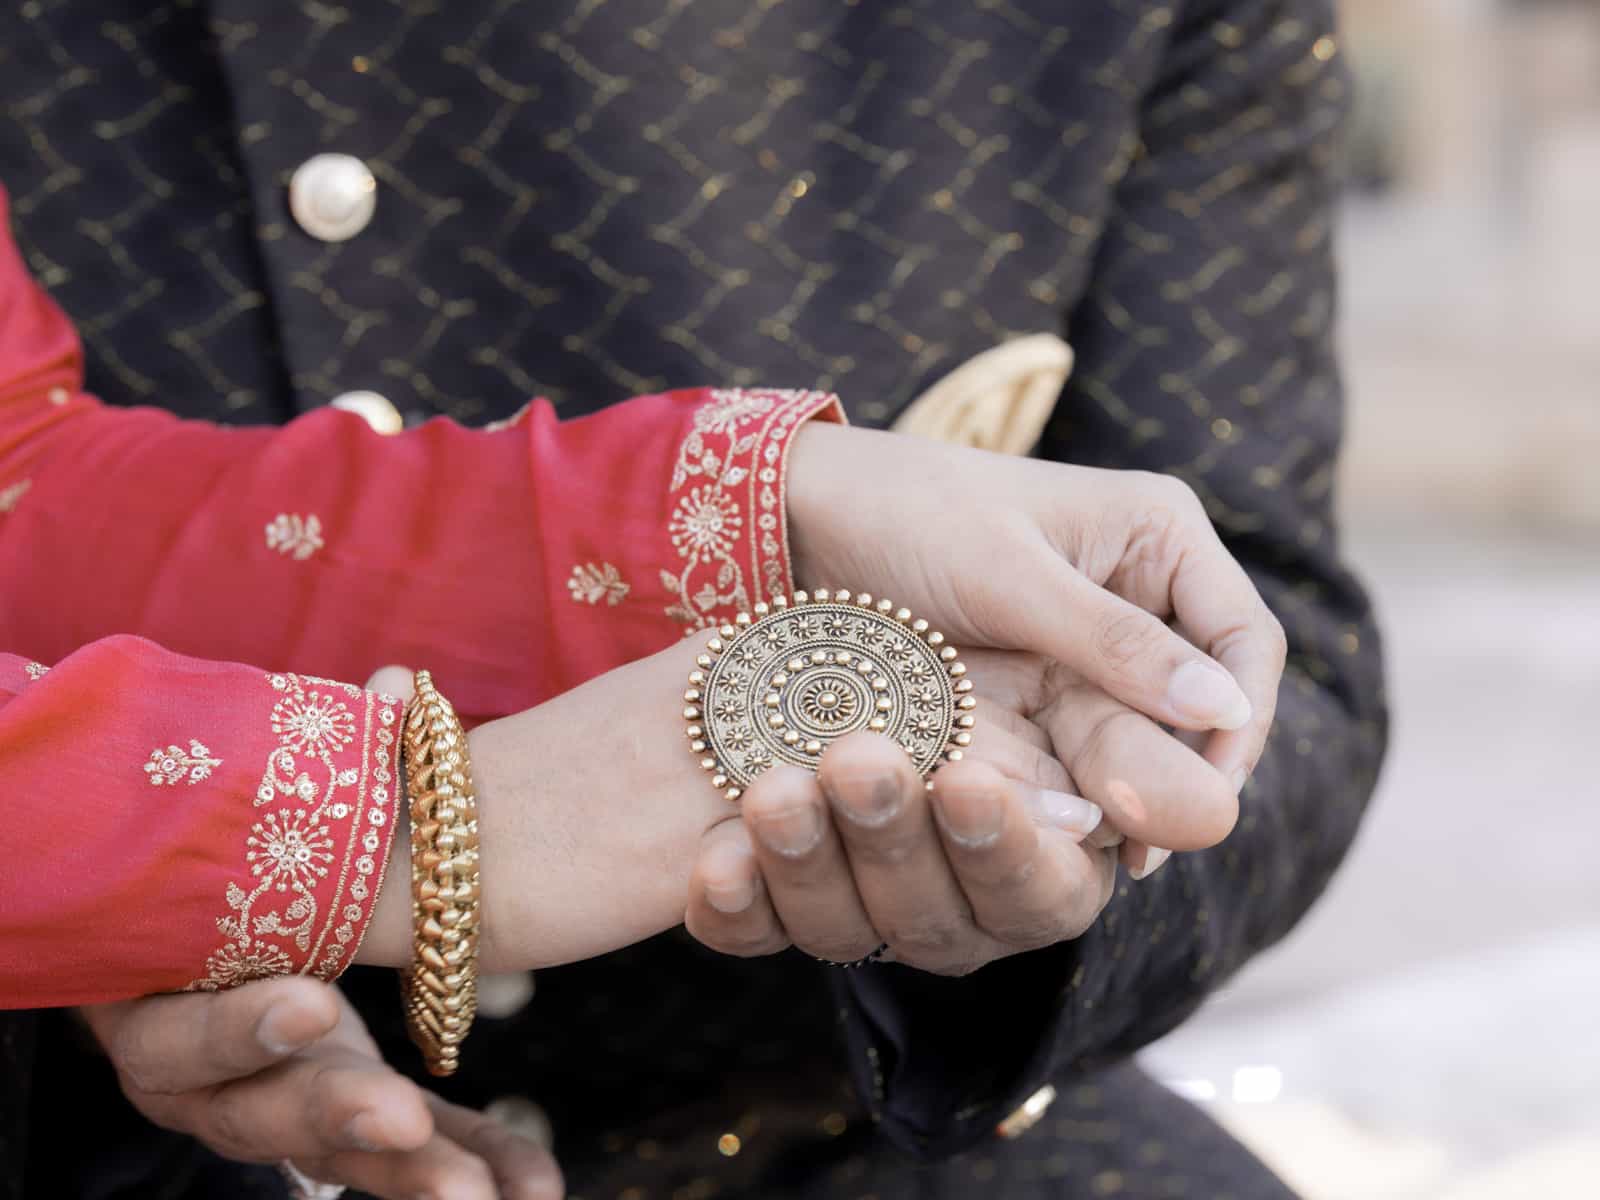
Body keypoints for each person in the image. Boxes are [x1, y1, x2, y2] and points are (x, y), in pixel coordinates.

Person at [0, 0, 1387, 1197]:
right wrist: (341, 850)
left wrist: (773, 522)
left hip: (818, 1098)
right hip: (102, 1100)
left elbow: (1265, 628)